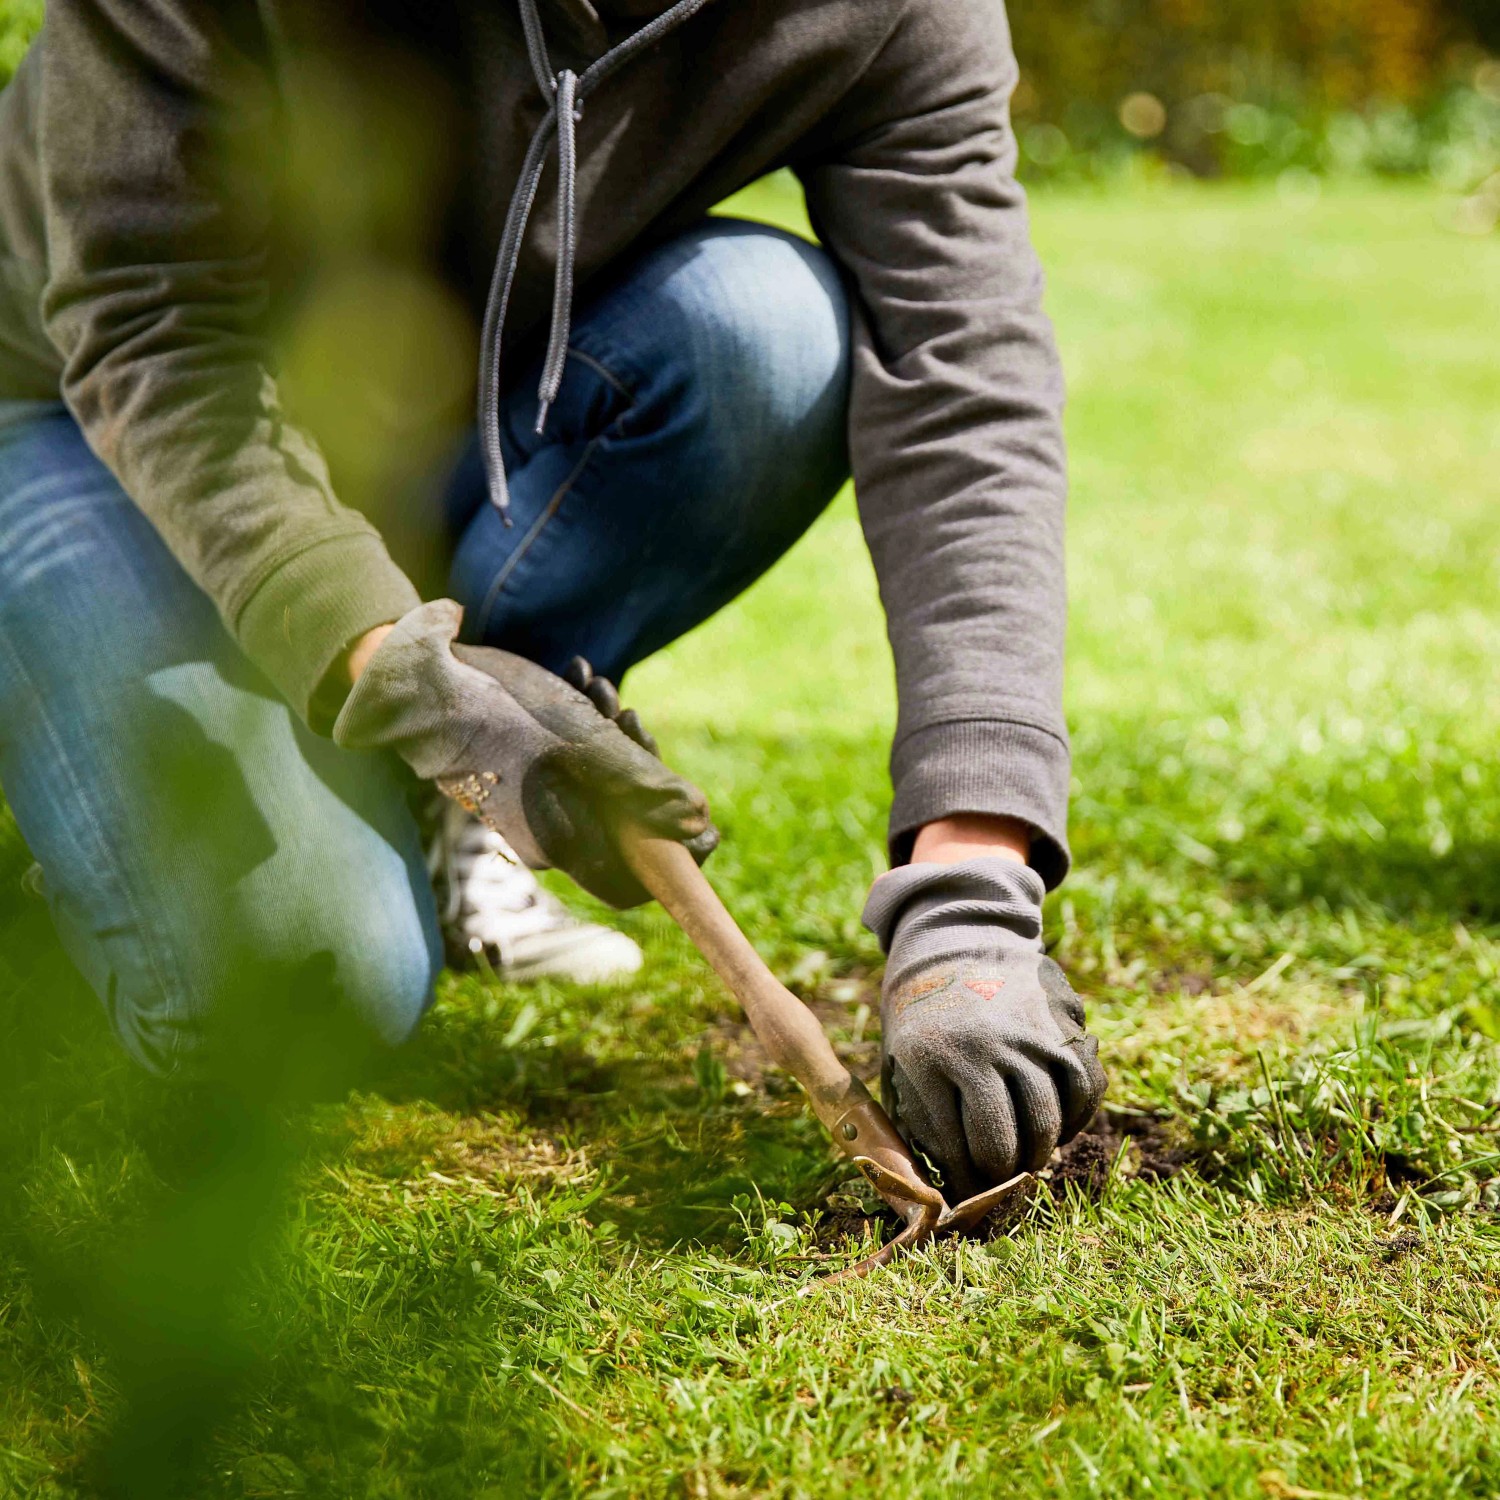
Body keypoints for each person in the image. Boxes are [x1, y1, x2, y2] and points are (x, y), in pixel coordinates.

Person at [0, 0, 1105, 1200]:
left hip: (420, 406)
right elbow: (151, 330)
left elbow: (963, 386)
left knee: (762, 336)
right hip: (72, 408)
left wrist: (970, 884)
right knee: (305, 986)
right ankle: (178, 783)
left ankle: (417, 766)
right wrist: (411, 685)